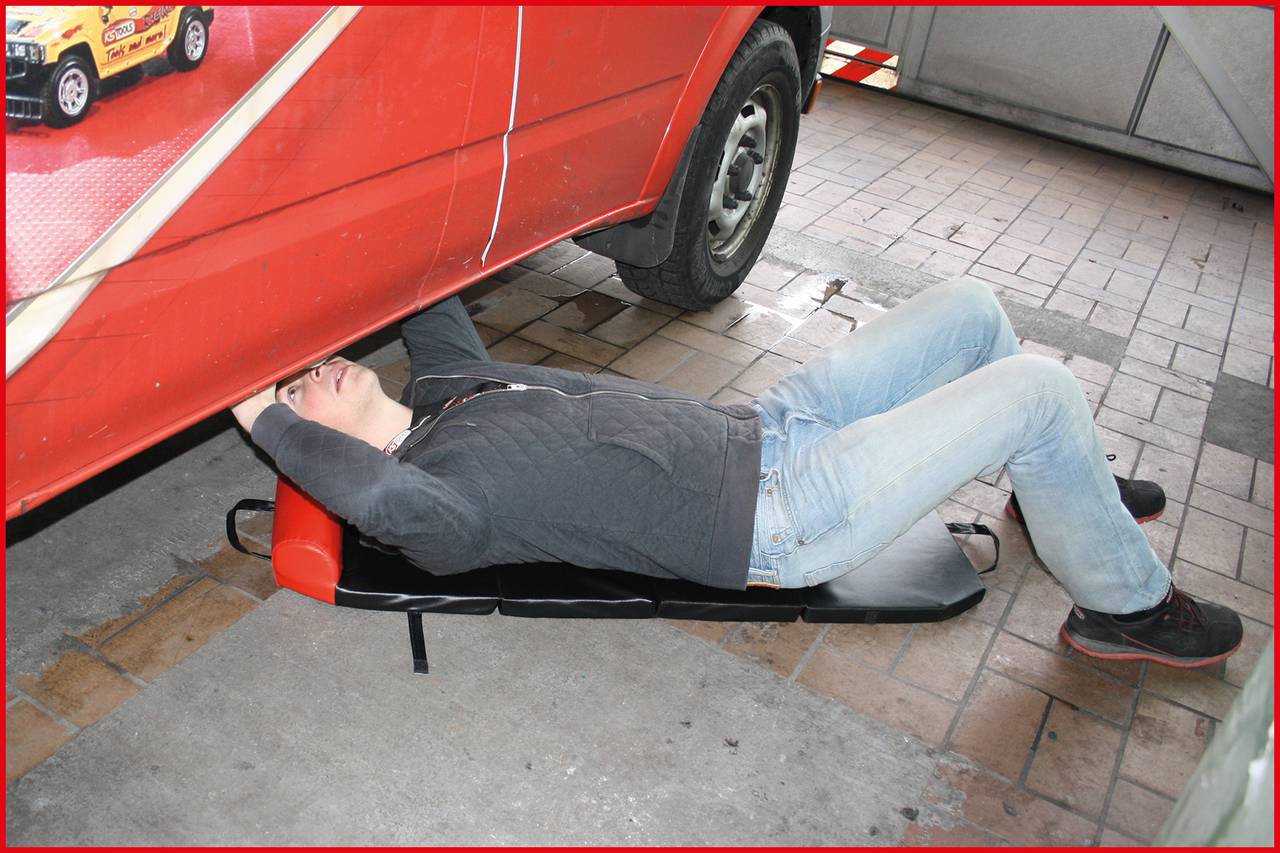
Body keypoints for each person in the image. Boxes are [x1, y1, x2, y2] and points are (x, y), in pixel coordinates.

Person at [231, 276, 1242, 669]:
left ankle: (1059, 490)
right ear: (316, 445)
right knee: (1038, 388)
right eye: (297, 391)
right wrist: (250, 408)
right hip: (783, 514)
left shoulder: (447, 384)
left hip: (768, 425)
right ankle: (1124, 605)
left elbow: (426, 279)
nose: (310, 375)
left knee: (974, 313)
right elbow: (373, 495)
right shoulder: (431, 505)